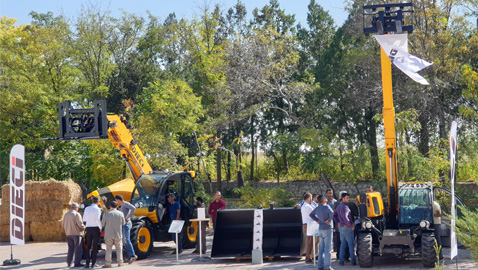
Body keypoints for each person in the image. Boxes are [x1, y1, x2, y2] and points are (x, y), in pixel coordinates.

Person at [309, 195, 334, 270]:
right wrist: (329, 220)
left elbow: (311, 215)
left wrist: (317, 220)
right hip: (327, 228)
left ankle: (320, 265)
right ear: (323, 200)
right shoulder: (327, 207)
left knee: (321, 248)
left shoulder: (317, 208)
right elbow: (332, 213)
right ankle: (327, 266)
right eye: (325, 198)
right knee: (327, 249)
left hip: (320, 229)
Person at [333, 193, 356, 266]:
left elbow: (334, 215)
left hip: (341, 228)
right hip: (347, 228)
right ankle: (353, 260)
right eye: (346, 198)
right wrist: (350, 226)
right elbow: (346, 218)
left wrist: (338, 222)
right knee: (351, 244)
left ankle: (341, 261)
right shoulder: (345, 207)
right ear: (342, 198)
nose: (348, 199)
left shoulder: (339, 206)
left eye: (348, 198)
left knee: (342, 244)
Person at [102, 200, 125, 268]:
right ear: (117, 206)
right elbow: (123, 223)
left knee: (108, 249)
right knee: (119, 248)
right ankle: (120, 262)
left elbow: (103, 224)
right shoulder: (121, 214)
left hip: (108, 234)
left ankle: (108, 263)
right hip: (118, 234)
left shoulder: (106, 214)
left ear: (110, 206)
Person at [115, 194, 137, 264]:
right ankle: (129, 257)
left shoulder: (125, 204)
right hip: (124, 224)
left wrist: (129, 216)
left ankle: (133, 255)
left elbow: (133, 208)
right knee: (125, 241)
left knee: (127, 240)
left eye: (116, 200)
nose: (116, 202)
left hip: (126, 224)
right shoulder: (122, 206)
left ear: (118, 200)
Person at [62, 203, 85, 268]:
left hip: (68, 233)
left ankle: (69, 262)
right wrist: (84, 228)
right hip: (76, 233)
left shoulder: (66, 215)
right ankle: (77, 263)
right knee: (78, 249)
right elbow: (80, 224)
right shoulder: (77, 214)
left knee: (70, 248)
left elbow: (63, 224)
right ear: (76, 208)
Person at [83, 196, 102, 268]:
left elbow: (84, 219)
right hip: (95, 228)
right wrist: (100, 227)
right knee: (95, 246)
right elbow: (97, 219)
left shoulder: (87, 208)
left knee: (88, 246)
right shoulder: (98, 209)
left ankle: (87, 263)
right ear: (98, 202)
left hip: (88, 228)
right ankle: (93, 263)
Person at [301, 192, 315, 264]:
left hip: (306, 225)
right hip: (308, 225)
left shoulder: (304, 205)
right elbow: (314, 213)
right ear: (309, 198)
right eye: (311, 198)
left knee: (309, 242)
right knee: (310, 242)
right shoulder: (308, 206)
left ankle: (309, 257)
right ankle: (308, 258)